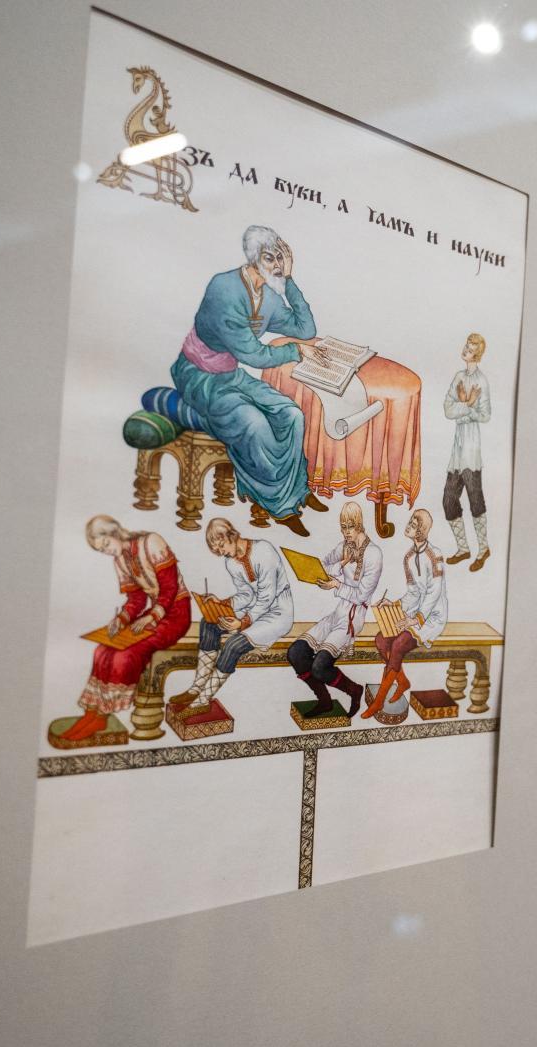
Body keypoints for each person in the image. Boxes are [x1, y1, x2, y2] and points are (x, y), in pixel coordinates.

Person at [171, 225, 331, 538]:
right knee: (256, 424)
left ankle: (296, 490)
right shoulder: (224, 289)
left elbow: (306, 329)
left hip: (230, 375)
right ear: (253, 257)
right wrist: (296, 351)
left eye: (281, 258)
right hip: (199, 377)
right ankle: (278, 503)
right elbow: (254, 355)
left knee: (292, 414)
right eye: (270, 258)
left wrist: (289, 281)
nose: (276, 264)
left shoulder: (269, 296)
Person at [58, 515, 192, 745]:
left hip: (176, 613)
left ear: (115, 533)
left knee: (126, 654)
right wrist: (121, 619)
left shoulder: (152, 542)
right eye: (101, 550)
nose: (107, 551)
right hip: (153, 612)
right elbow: (136, 600)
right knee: (102, 650)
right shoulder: (119, 560)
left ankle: (102, 715)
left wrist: (152, 616)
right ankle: (91, 715)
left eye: (106, 544)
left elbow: (169, 589)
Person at [170, 518, 294, 719]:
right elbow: (246, 595)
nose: (221, 553)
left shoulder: (264, 550)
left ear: (231, 536)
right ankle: (196, 688)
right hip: (253, 610)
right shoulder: (231, 562)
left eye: (221, 546)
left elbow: (267, 596)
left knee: (233, 645)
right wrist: (222, 603)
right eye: (216, 550)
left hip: (277, 613)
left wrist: (243, 622)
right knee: (209, 622)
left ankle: (203, 700)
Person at [290, 502, 383, 716]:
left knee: (320, 666)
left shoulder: (374, 554)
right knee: (296, 653)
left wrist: (336, 584)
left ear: (359, 525)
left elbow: (361, 595)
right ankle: (325, 701)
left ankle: (354, 690)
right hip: (338, 612)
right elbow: (323, 566)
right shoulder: (343, 547)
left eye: (350, 527)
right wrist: (340, 564)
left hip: (353, 618)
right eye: (343, 527)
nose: (345, 532)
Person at [364, 509, 448, 720]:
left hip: (432, 617)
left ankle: (378, 701)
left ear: (421, 530)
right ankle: (402, 682)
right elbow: (413, 592)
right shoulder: (409, 557)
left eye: (413, 523)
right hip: (413, 614)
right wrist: (394, 604)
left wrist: (417, 619)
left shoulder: (435, 555)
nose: (408, 525)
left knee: (399, 644)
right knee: (381, 639)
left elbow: (434, 592)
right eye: (410, 521)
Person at [442, 332, 493, 572]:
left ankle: (483, 549)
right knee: (449, 500)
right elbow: (447, 409)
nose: (466, 350)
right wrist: (467, 404)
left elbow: (486, 415)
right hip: (457, 451)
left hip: (471, 451)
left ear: (477, 355)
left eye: (471, 349)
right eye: (466, 346)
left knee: (475, 500)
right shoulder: (458, 377)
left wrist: (465, 408)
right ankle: (463, 548)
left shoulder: (482, 381)